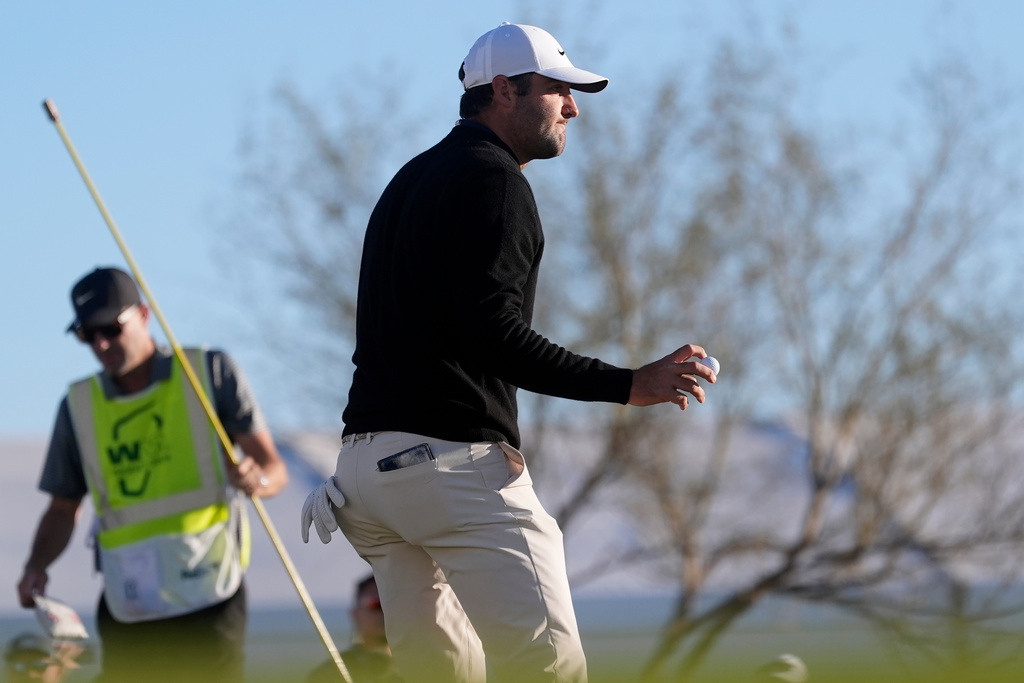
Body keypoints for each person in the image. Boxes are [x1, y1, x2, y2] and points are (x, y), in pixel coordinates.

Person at [301, 22, 716, 683]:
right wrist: (629, 383)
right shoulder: (494, 182)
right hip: (446, 469)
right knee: (549, 667)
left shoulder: (410, 178)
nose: (574, 108)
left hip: (366, 477)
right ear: (504, 90)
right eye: (559, 90)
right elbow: (495, 337)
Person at [17, 266, 288, 683]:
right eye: (88, 334)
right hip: (129, 603)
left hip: (208, 594)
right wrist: (37, 563)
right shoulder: (77, 406)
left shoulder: (208, 372)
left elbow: (274, 469)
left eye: (110, 327)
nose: (101, 343)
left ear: (144, 314)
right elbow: (62, 506)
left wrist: (258, 480)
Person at [307, 574, 404, 683]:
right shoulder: (330, 674)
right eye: (376, 604)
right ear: (356, 614)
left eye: (394, 603)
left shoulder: (420, 663)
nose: (386, 611)